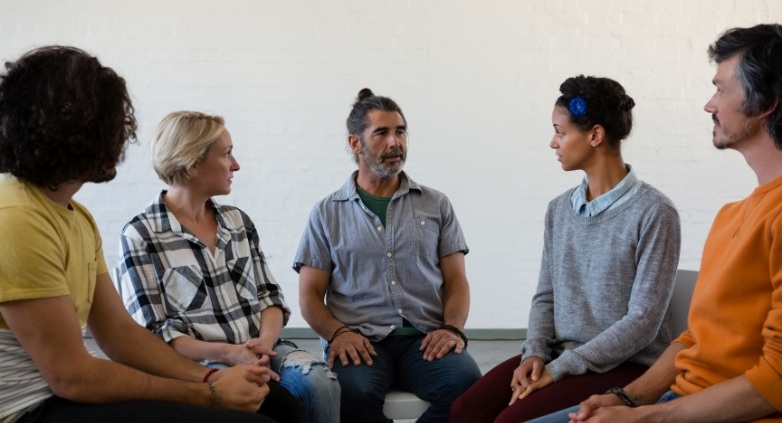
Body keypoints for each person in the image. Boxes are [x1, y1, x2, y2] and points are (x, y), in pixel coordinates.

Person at [0, 46, 277, 423]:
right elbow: (72, 377)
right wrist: (208, 393)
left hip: (58, 394)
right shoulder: (15, 216)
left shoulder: (76, 217)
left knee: (281, 405)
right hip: (26, 408)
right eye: (113, 119)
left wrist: (213, 376)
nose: (122, 133)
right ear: (83, 127)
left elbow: (118, 334)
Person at [528, 23, 782, 423]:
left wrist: (644, 416)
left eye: (721, 89)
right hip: (673, 395)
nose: (709, 104)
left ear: (766, 101)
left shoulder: (661, 212)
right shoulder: (731, 215)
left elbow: (777, 380)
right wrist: (626, 399)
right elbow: (692, 339)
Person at [450, 76, 681, 423]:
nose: (552, 143)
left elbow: (643, 322)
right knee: (466, 410)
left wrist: (560, 369)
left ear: (595, 136)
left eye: (560, 132)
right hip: (560, 357)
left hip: (627, 365)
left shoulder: (655, 213)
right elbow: (546, 295)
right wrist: (535, 353)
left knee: (509, 420)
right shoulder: (559, 209)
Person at [116, 111, 341, 423]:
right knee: (259, 402)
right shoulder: (140, 235)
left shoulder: (237, 222)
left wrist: (264, 343)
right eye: (226, 154)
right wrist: (227, 353)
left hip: (264, 350)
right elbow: (154, 334)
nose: (236, 165)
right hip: (202, 362)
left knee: (319, 382)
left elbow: (270, 297)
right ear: (193, 162)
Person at [293, 88, 482, 423]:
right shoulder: (326, 213)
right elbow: (309, 295)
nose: (395, 142)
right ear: (355, 143)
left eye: (400, 131)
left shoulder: (435, 204)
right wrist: (338, 334)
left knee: (466, 386)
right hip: (358, 340)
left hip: (425, 340)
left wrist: (452, 328)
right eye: (381, 133)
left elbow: (456, 280)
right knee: (350, 393)